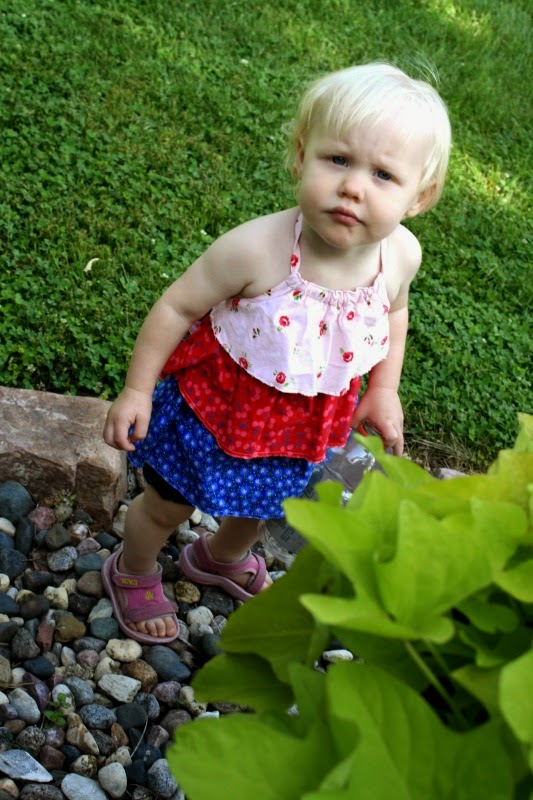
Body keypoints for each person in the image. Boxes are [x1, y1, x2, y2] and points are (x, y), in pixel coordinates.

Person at [102, 62, 451, 644]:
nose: (354, 187)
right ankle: (132, 568)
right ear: (300, 155)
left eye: (384, 175)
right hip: (216, 413)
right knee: (167, 503)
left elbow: (395, 313)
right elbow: (177, 308)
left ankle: (218, 557)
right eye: (337, 159)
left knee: (266, 502)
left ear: (420, 196)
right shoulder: (256, 249)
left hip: (304, 424)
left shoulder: (400, 256)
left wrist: (384, 388)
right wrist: (137, 390)